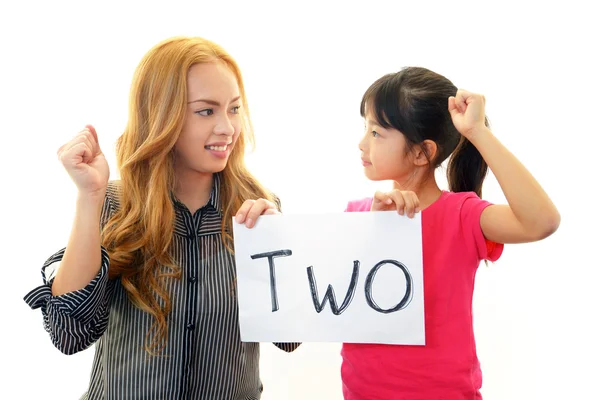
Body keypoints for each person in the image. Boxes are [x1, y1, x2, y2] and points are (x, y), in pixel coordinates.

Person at [24, 36, 299, 400]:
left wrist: (277, 250)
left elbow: (289, 339)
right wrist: (89, 197)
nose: (227, 128)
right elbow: (69, 333)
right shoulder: (112, 204)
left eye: (233, 109)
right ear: (161, 115)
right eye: (207, 111)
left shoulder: (259, 209)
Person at [341, 67, 560, 399]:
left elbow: (541, 221)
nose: (361, 143)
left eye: (375, 132)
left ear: (421, 152)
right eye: (365, 129)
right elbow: (335, 300)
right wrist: (374, 232)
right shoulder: (356, 215)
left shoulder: (462, 216)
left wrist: (478, 133)